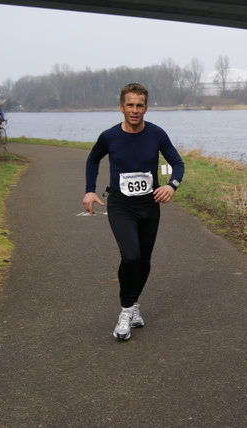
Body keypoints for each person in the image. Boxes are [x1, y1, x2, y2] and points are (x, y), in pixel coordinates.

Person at [83, 83, 184, 340]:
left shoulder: (157, 134)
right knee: (130, 256)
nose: (135, 110)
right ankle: (126, 311)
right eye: (130, 105)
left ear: (146, 108)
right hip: (121, 205)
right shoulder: (109, 136)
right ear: (121, 107)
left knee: (144, 261)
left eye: (140, 105)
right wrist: (89, 190)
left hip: (149, 205)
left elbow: (178, 163)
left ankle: (134, 303)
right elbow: (93, 159)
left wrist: (171, 186)